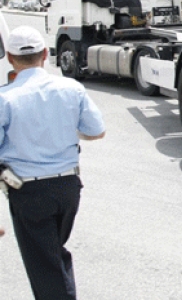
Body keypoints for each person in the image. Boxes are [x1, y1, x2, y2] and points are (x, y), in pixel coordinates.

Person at [0, 26, 106, 300]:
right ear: (46, 54)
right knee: (55, 255)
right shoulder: (71, 88)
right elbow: (97, 131)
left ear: (10, 58)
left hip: (29, 192)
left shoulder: (4, 98)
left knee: (44, 266)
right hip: (68, 188)